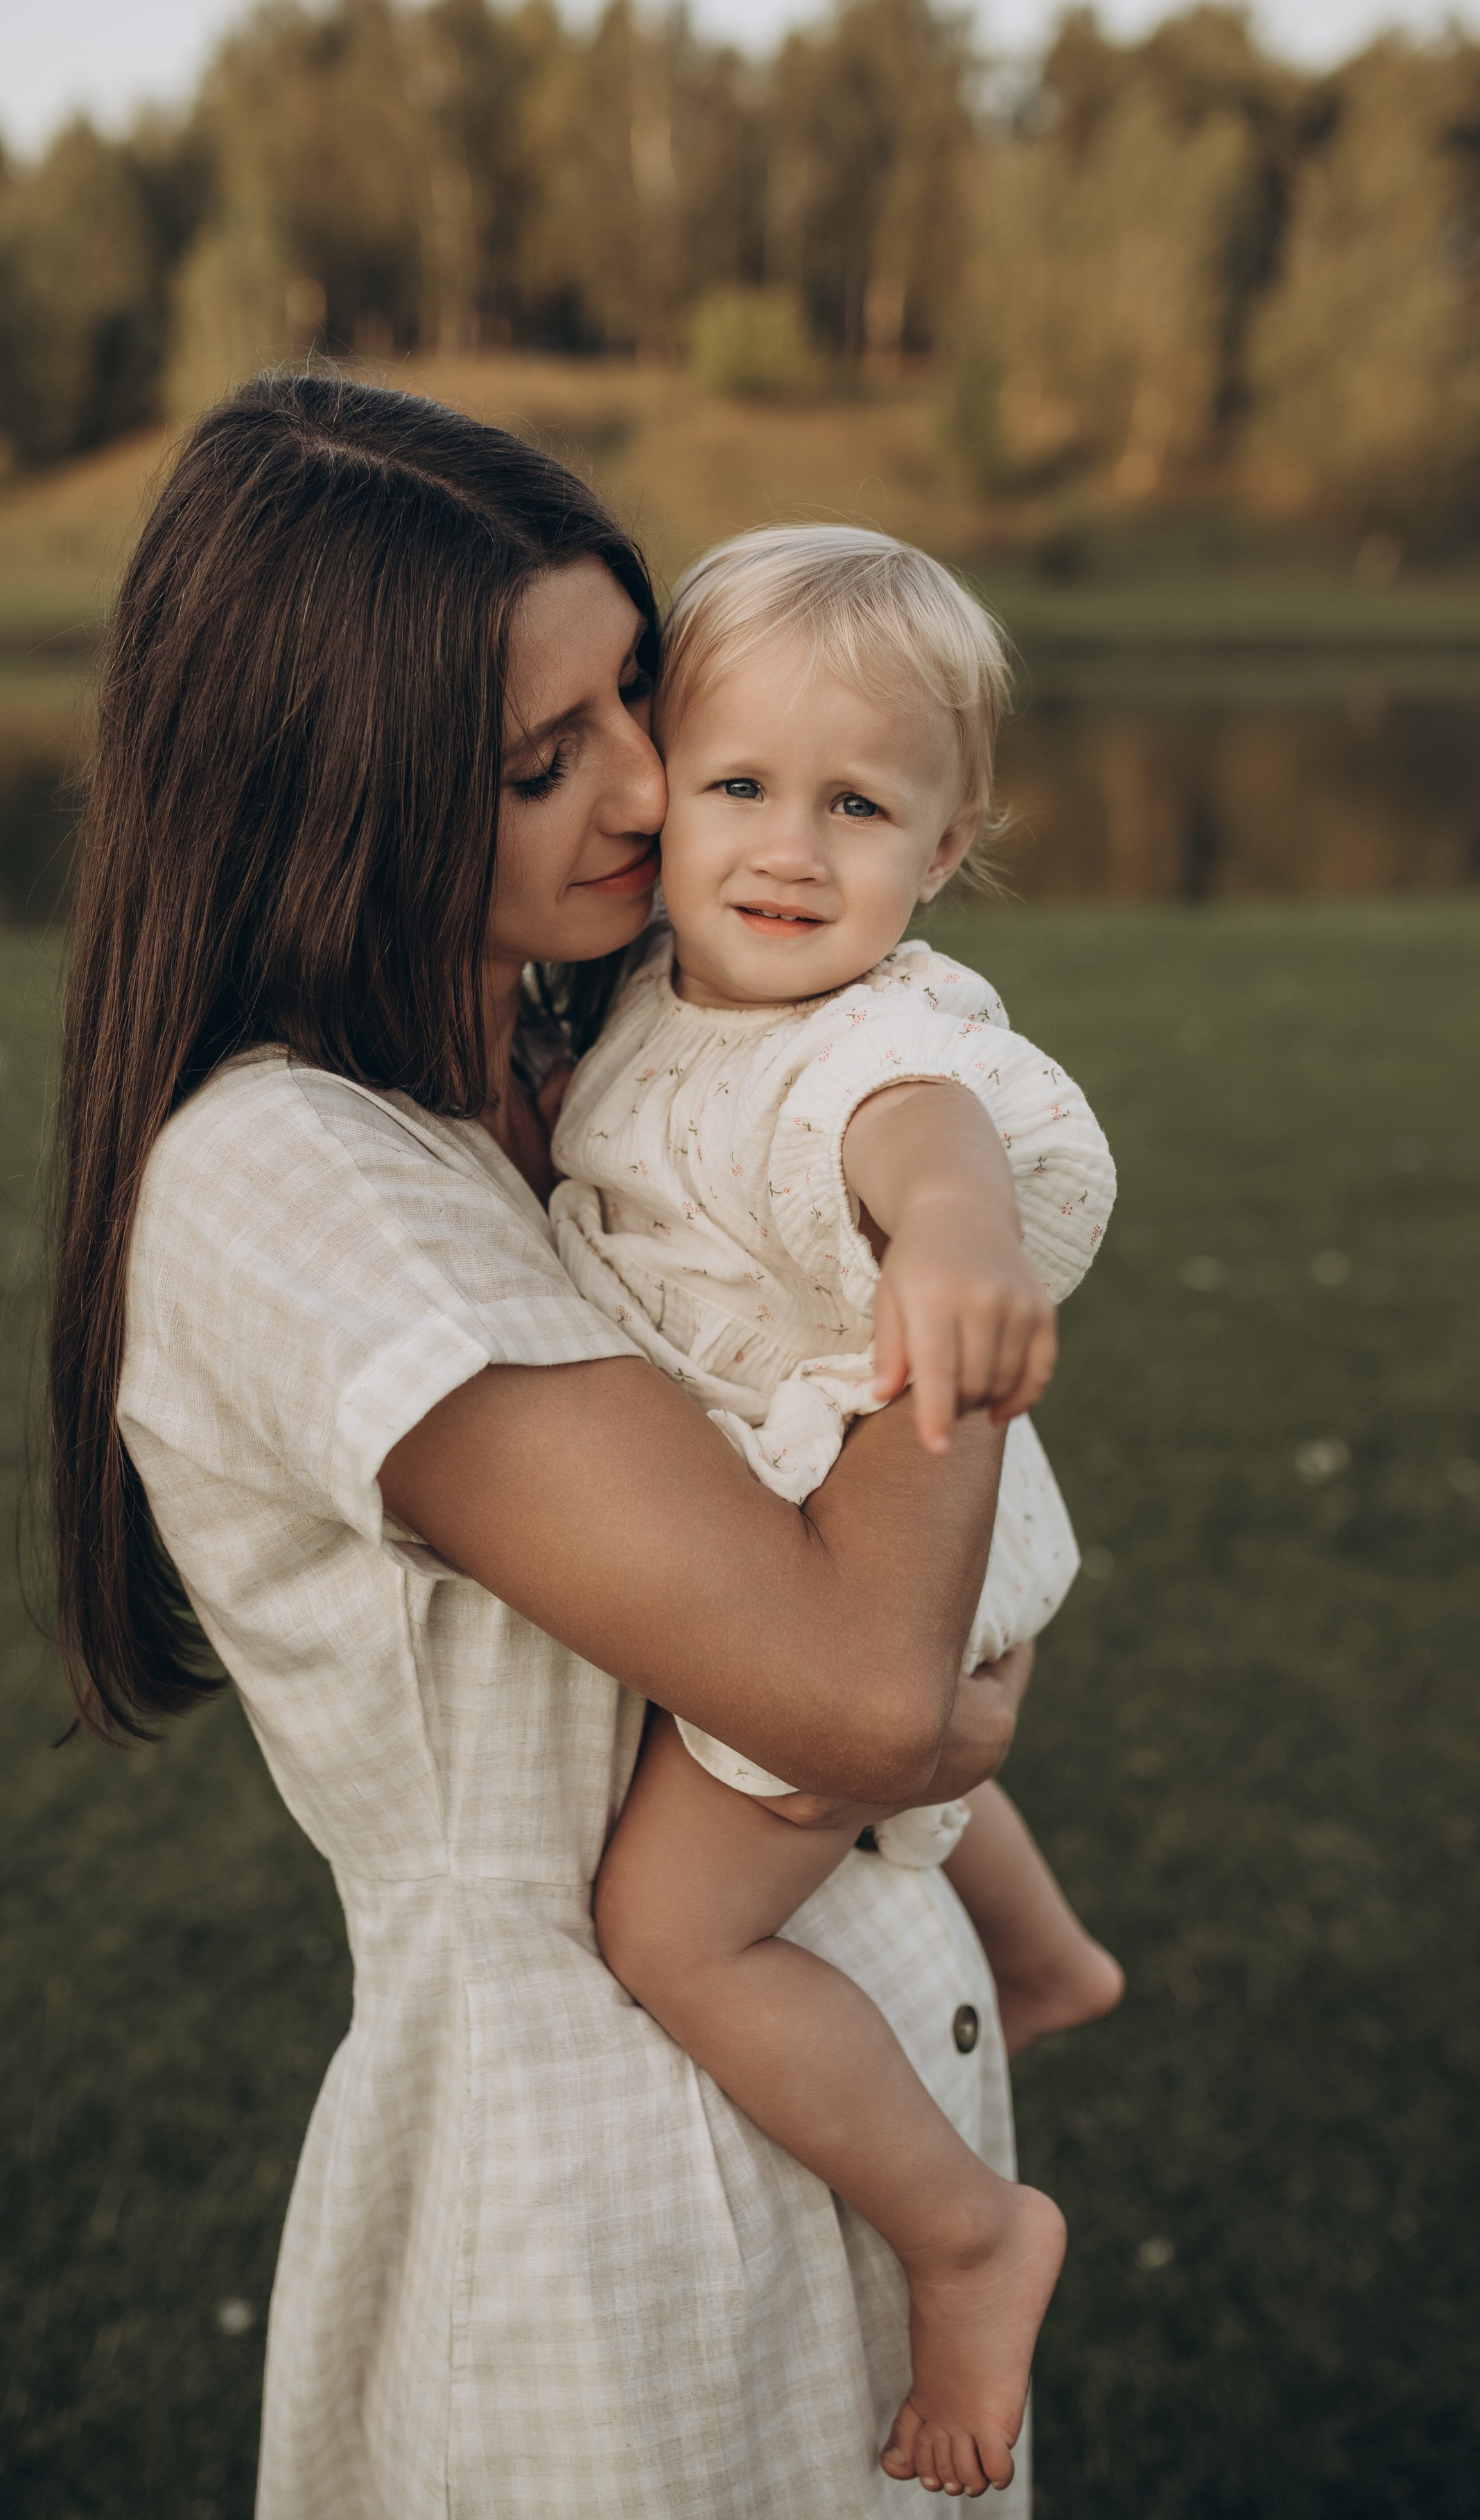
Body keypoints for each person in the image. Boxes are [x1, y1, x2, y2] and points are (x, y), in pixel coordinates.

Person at [47, 371, 1037, 2520]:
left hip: (849, 2068)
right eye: (537, 759)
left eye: (637, 704)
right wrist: (953, 1679)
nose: (648, 791)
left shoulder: (585, 1037)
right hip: (609, 2187)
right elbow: (871, 1688)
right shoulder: (287, 1180)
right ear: (332, 794)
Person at [555, 525, 1125, 2499]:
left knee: (675, 1927)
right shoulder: (655, 989)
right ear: (661, 797)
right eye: (739, 788)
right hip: (878, 1538)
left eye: (858, 806)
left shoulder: (862, 1039)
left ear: (947, 850)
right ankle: (1044, 1953)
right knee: (932, 1757)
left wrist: (957, 1236)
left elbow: (924, 1131)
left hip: (860, 1524)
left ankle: (971, 2232)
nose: (790, 851)